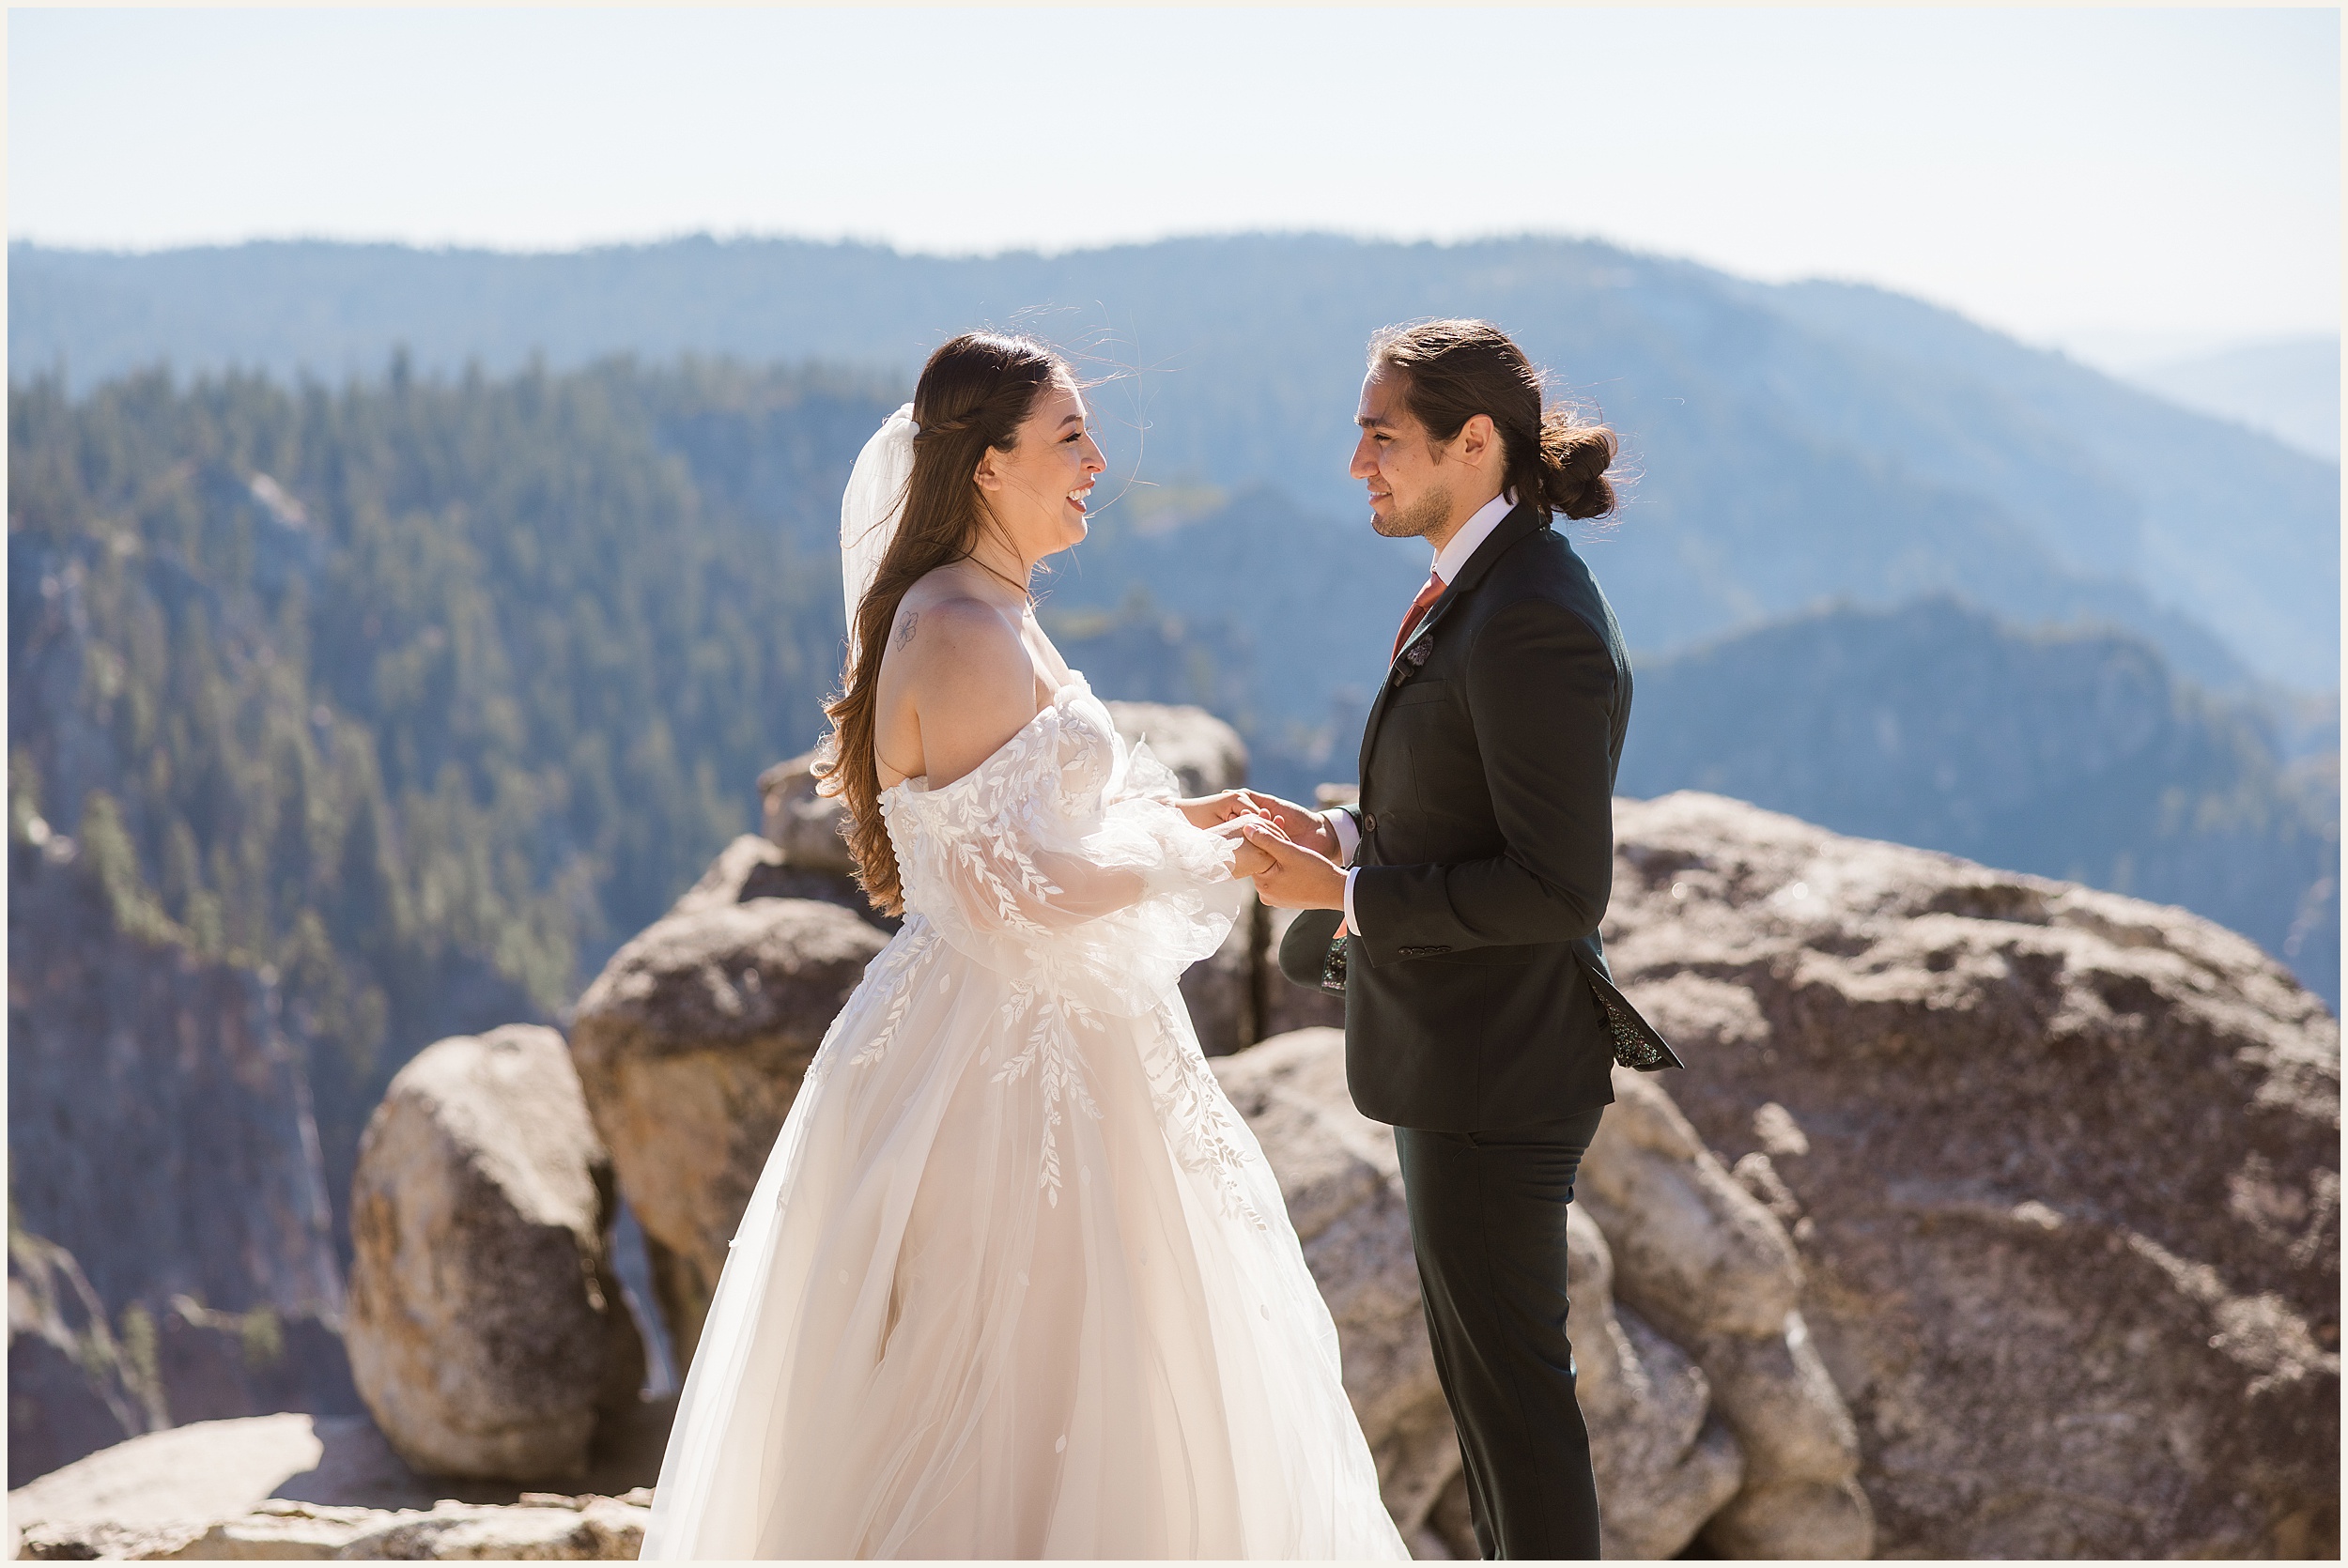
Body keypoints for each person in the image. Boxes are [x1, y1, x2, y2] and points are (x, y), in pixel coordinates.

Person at [638, 331, 1410, 1560]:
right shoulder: (956, 628)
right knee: (1013, 1376)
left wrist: (1176, 817)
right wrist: (1199, 860)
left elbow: (1033, 822)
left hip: (1063, 1037)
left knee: (1119, 1365)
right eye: (1068, 437)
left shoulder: (995, 614)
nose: (1099, 459)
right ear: (987, 466)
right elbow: (1011, 888)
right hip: (1001, 1064)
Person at [1240, 318, 1680, 1560]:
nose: (1355, 461)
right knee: (1496, 1399)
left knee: (1514, 1409)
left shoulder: (1529, 613)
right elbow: (1461, 795)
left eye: (1381, 434)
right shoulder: (1486, 585)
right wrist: (1337, 832)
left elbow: (1555, 887)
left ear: (1473, 444)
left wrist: (1355, 899)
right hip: (1465, 1060)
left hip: (1496, 1069)